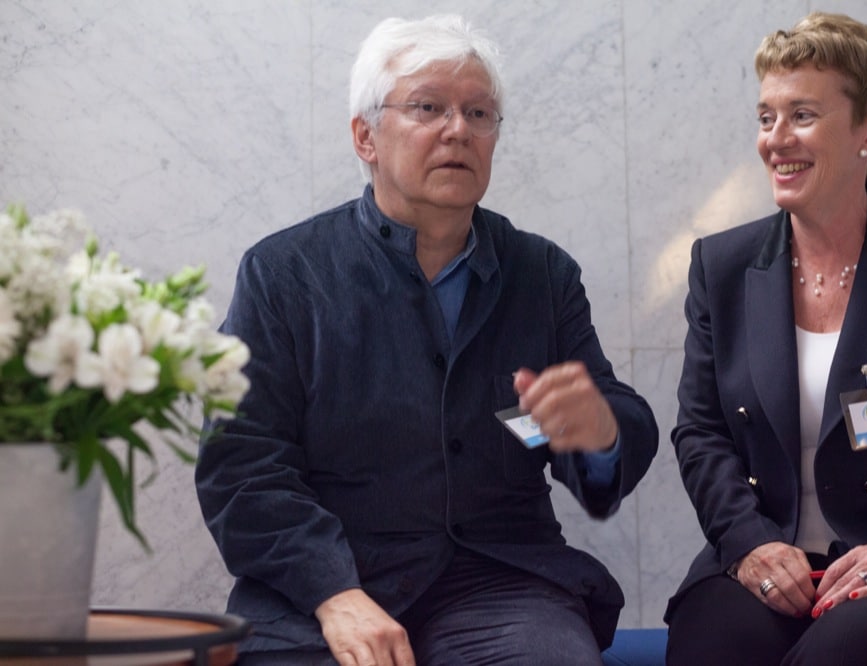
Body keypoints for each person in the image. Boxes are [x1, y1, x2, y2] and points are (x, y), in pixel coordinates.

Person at [195, 14, 659, 666]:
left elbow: (606, 437)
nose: (458, 130)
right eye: (428, 107)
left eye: (479, 113)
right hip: (330, 582)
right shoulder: (283, 274)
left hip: (500, 582)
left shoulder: (541, 274)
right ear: (366, 136)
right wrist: (333, 593)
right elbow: (242, 466)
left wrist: (601, 431)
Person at [664, 12, 867, 665]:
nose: (775, 140)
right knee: (712, 644)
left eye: (802, 116)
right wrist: (749, 543)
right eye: (766, 117)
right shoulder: (721, 266)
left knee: (846, 651)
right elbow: (700, 433)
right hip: (770, 557)